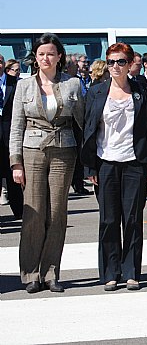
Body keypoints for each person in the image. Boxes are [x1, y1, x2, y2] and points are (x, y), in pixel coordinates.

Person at [81, 42, 147, 291]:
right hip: (105, 162)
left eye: (120, 62)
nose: (115, 67)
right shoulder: (96, 91)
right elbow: (88, 129)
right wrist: (89, 167)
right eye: (110, 62)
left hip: (134, 162)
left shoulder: (140, 90)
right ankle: (110, 272)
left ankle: (131, 272)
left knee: (132, 219)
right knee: (108, 219)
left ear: (129, 64)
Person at [9, 33, 84, 293]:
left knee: (57, 213)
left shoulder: (73, 84)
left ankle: (51, 272)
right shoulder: (24, 86)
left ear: (59, 56)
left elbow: (83, 120)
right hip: (32, 151)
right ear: (35, 57)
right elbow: (16, 126)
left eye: (50, 53)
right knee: (34, 213)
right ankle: (30, 273)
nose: (45, 58)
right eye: (41, 54)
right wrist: (15, 162)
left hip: (64, 150)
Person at [0, 54, 24, 221]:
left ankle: (21, 213)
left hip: (10, 135)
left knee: (13, 175)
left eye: (0, 61)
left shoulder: (15, 82)